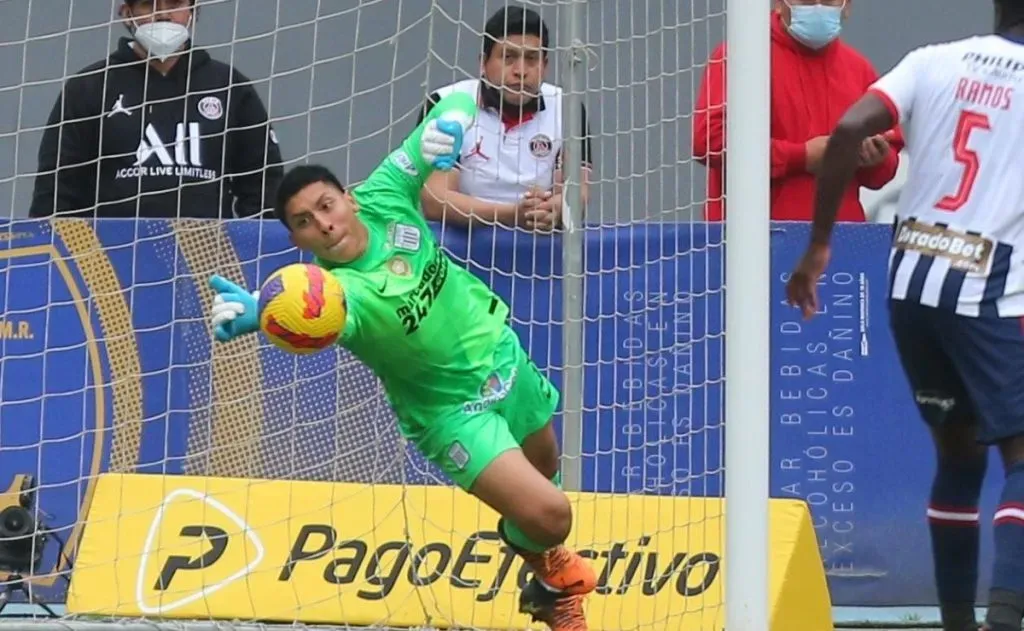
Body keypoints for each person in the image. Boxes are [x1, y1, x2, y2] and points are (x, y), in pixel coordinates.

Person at [206, 91, 594, 631]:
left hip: (500, 352)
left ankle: (547, 585)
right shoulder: (332, 294)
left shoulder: (386, 192)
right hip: (450, 413)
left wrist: (451, 127)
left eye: (326, 205)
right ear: (295, 238)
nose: (322, 223)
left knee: (545, 468)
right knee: (552, 516)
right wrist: (263, 312)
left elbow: (445, 112)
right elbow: (314, 314)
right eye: (303, 222)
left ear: (349, 198)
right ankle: (555, 578)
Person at [786, 2, 1024, 629]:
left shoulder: (933, 60)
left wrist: (818, 245)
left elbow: (846, 130)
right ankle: (1005, 615)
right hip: (992, 294)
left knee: (961, 454)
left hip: (912, 285)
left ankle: (956, 623)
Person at [29, 0, 283, 219]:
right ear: (126, 13)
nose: (162, 14)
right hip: (108, 262)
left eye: (174, 3)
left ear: (194, 11)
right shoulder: (87, 88)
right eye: (148, 4)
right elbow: (56, 195)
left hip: (208, 260)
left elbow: (263, 186)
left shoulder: (230, 87)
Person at [692, 0, 903, 221]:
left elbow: (885, 167)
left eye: (828, 1)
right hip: (751, 244)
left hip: (840, 241)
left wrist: (875, 158)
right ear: (779, 4)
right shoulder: (740, 56)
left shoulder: (860, 70)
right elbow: (709, 141)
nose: (818, 8)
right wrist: (802, 156)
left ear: (847, 7)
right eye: (807, 1)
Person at [417, 5, 591, 232]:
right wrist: (512, 214)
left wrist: (554, 209)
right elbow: (435, 201)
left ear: (545, 65)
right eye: (508, 57)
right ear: (483, 63)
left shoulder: (567, 107)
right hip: (460, 251)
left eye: (531, 58)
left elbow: (577, 192)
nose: (520, 70)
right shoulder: (447, 103)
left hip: (538, 247)